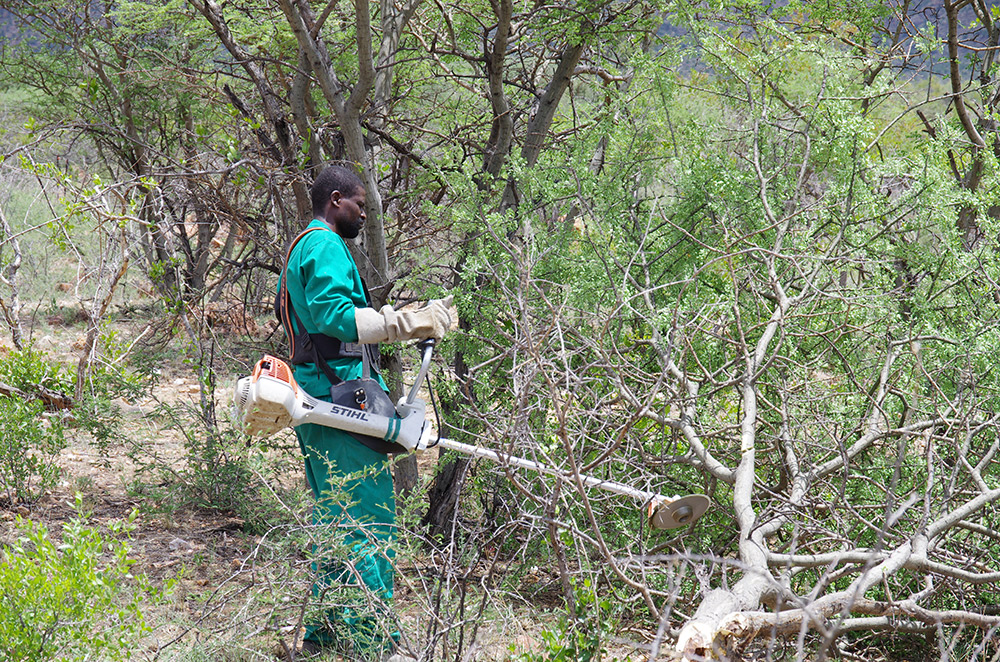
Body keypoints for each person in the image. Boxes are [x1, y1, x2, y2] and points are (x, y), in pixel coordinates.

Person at [275, 165, 451, 660]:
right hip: (334, 395)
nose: (364, 215)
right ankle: (374, 642)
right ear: (335, 201)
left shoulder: (306, 246)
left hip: (323, 392)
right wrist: (407, 322)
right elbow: (334, 316)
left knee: (336, 512)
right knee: (365, 514)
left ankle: (325, 636)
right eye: (359, 205)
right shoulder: (325, 245)